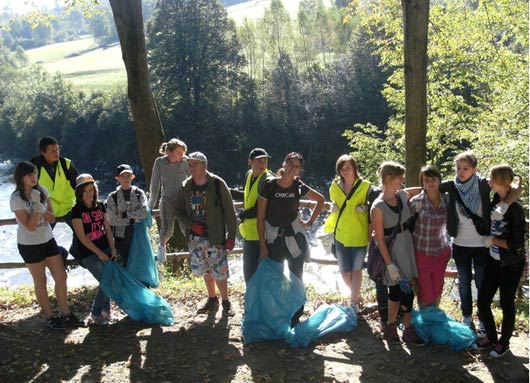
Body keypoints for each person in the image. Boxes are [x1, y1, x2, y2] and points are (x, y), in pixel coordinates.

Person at [10, 161, 83, 330]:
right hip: (29, 244)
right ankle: (50, 316)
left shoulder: (42, 191)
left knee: (61, 277)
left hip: (48, 240)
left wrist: (42, 207)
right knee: (40, 281)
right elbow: (29, 226)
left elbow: (51, 218)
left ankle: (66, 313)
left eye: (35, 174)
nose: (33, 178)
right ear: (21, 178)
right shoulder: (16, 199)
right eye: (29, 175)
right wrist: (35, 208)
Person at [257, 152, 325, 326]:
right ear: (284, 163)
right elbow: (260, 217)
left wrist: (310, 222)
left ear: (299, 170)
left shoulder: (298, 186)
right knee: (276, 276)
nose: (292, 169)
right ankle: (277, 312)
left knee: (296, 275)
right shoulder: (269, 186)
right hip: (275, 239)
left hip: (295, 238)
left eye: (297, 166)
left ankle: (295, 315)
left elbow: (321, 200)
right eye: (290, 164)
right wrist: (263, 246)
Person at [175, 152, 237, 316]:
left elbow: (230, 212)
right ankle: (212, 299)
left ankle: (226, 302)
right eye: (190, 164)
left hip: (215, 236)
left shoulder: (217, 184)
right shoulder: (185, 186)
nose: (192, 167)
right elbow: (179, 211)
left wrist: (231, 237)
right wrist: (191, 226)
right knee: (205, 270)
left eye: (195, 164)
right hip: (196, 238)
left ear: (205, 165)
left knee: (220, 270)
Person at [473, 165, 525, 358]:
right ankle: (491, 338)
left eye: (491, 178)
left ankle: (504, 343)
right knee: (483, 301)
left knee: (506, 302)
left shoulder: (516, 210)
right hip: (493, 261)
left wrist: (492, 240)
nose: (488, 181)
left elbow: (516, 244)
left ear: (500, 182)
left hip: (510, 264)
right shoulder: (497, 199)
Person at [370, 161, 425, 345]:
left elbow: (417, 190)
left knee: (406, 289)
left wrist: (431, 183)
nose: (402, 180)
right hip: (392, 251)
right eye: (399, 177)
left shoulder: (401, 196)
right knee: (396, 290)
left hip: (407, 244)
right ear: (388, 179)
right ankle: (395, 326)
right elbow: (379, 238)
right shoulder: (378, 207)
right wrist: (389, 264)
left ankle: (401, 327)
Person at [324, 154, 373, 313]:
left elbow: (374, 208)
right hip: (340, 235)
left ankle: (353, 302)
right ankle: (356, 296)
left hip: (359, 234)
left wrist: (365, 208)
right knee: (345, 272)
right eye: (342, 168)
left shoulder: (366, 187)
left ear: (354, 168)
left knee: (356, 269)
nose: (345, 171)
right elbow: (335, 203)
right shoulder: (334, 187)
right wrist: (333, 207)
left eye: (348, 168)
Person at [71, 174, 117, 325]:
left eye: (91, 189)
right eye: (85, 190)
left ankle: (106, 311)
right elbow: (82, 237)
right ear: (79, 192)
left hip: (104, 246)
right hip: (88, 253)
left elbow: (108, 229)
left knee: (109, 278)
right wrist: (99, 254)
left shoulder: (100, 205)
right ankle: (96, 313)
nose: (89, 193)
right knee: (106, 280)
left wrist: (112, 249)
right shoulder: (77, 210)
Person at [409, 165, 451, 309]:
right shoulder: (416, 202)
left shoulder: (447, 200)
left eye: (433, 179)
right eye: (426, 180)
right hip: (421, 252)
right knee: (424, 292)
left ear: (439, 180)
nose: (430, 183)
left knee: (437, 289)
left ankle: (434, 319)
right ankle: (425, 322)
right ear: (422, 183)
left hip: (441, 252)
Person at [31, 136, 79, 258]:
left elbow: (77, 184)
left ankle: (76, 252)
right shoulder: (33, 167)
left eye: (57, 150)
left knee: (83, 231)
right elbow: (27, 189)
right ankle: (61, 252)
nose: (56, 153)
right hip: (47, 210)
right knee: (40, 240)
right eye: (52, 151)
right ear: (43, 152)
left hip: (67, 207)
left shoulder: (65, 163)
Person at [233, 148, 274, 283]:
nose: (263, 163)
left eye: (265, 160)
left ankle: (260, 301)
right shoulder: (250, 175)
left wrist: (243, 215)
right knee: (249, 272)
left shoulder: (268, 180)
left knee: (261, 272)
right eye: (259, 160)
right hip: (250, 232)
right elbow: (247, 195)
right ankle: (253, 300)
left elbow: (262, 207)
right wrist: (228, 192)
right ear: (250, 162)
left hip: (264, 233)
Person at [148, 138, 189, 262]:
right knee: (167, 230)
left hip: (183, 200)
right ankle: (161, 247)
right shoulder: (159, 162)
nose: (182, 155)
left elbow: (194, 181)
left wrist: (196, 201)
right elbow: (155, 184)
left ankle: (195, 250)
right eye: (179, 153)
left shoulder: (185, 162)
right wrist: (150, 205)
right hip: (167, 200)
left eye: (183, 153)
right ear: (169, 151)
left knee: (187, 227)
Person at [105, 164, 148, 267]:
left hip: (139, 234)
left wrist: (125, 215)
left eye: (128, 175)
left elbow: (144, 212)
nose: (126, 178)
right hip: (121, 238)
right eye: (123, 176)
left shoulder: (139, 193)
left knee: (141, 263)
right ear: (117, 178)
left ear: (132, 177)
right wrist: (133, 219)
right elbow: (112, 219)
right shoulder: (112, 197)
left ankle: (141, 283)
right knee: (125, 263)